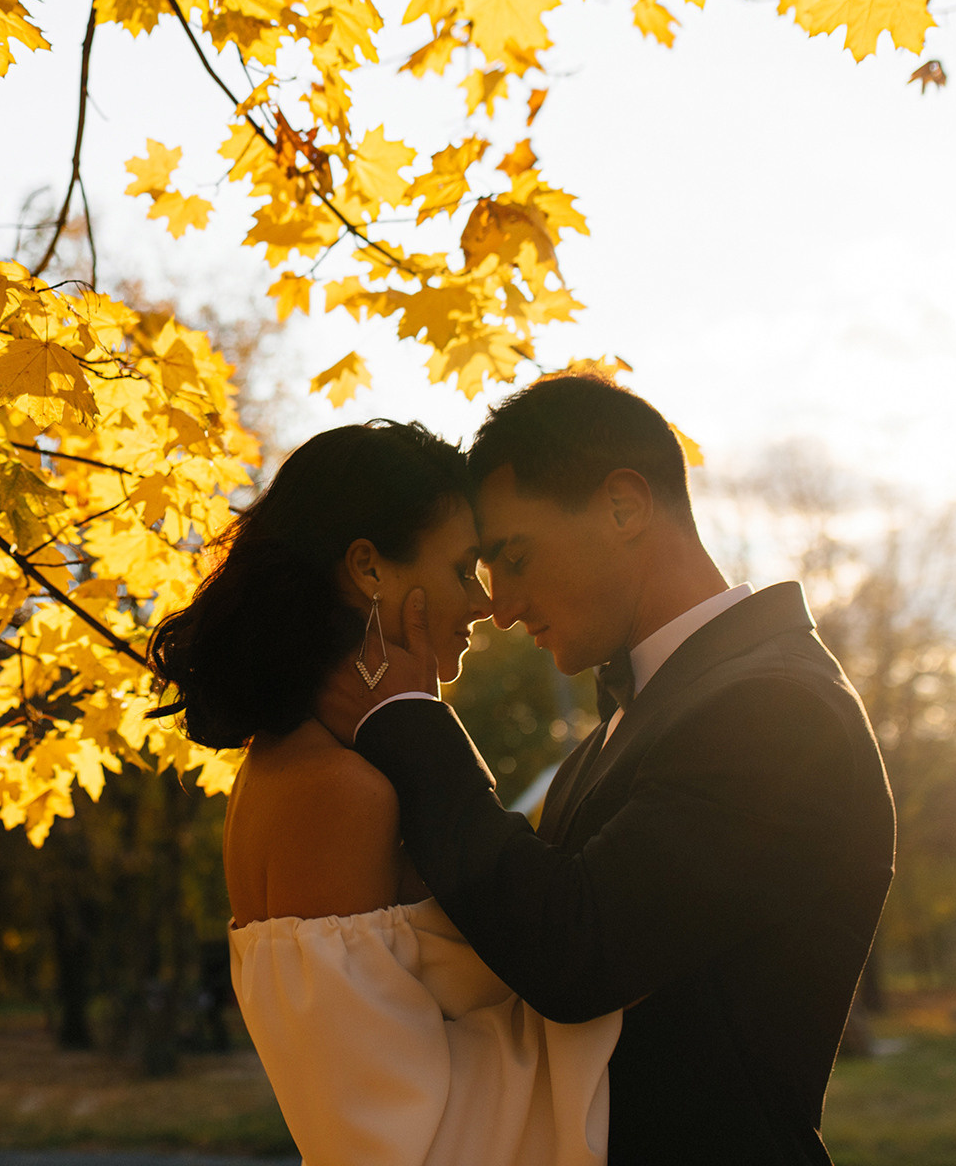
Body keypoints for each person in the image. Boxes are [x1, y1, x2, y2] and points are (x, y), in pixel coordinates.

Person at [316, 376, 896, 1165]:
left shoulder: (776, 710)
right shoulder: (625, 729)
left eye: (513, 559)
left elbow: (576, 955)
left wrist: (406, 717)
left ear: (625, 506)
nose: (503, 607)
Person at [150, 420, 621, 1166]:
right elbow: (382, 1135)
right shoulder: (337, 793)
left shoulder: (318, 764)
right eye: (466, 569)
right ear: (368, 568)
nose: (484, 605)